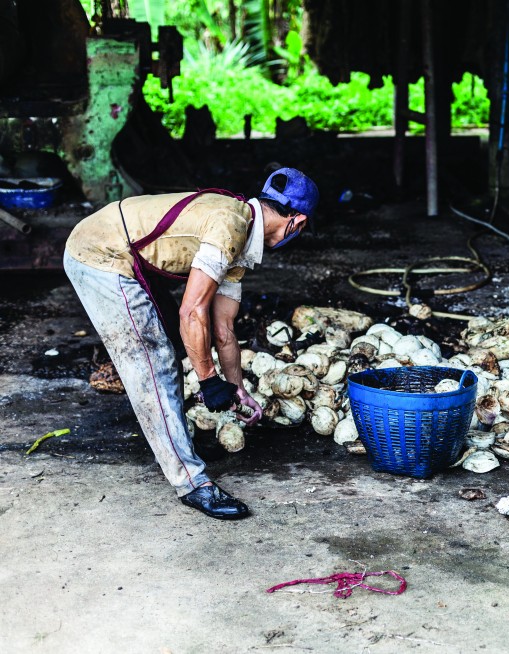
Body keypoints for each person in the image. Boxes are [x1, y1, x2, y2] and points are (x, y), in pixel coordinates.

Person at [63, 168, 319, 520]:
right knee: (152, 362)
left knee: (176, 348)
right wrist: (208, 379)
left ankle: (181, 447)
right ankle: (191, 483)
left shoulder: (241, 237)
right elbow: (192, 310)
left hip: (122, 251)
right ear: (298, 222)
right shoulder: (229, 225)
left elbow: (224, 327)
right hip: (99, 253)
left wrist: (236, 387)